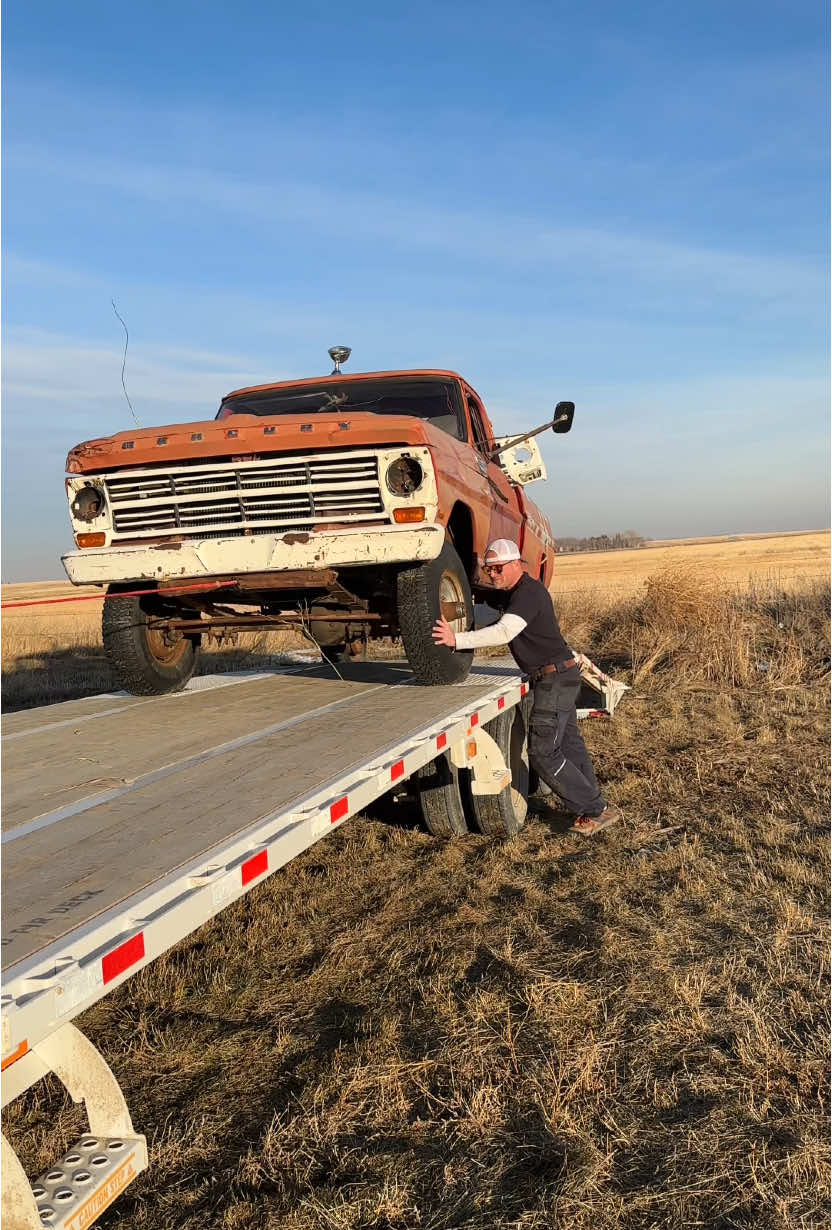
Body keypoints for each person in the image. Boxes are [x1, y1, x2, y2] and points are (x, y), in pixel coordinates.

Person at [432, 539, 621, 835]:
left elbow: (504, 630)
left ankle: (593, 808)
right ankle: (595, 805)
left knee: (544, 751)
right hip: (560, 675)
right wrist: (450, 606)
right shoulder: (514, 593)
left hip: (554, 679)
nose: (492, 575)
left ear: (516, 564)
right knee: (570, 746)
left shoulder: (529, 594)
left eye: (498, 568)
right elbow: (481, 608)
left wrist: (457, 641)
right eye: (488, 569)